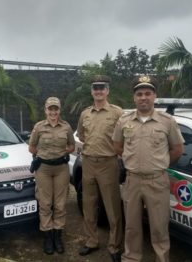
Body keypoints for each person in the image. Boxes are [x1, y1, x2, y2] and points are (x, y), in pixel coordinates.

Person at [112, 75, 184, 262]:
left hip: (157, 180)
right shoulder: (124, 121)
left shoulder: (167, 121)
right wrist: (132, 161)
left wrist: (159, 164)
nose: (143, 97)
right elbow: (118, 146)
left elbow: (177, 149)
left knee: (159, 227)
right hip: (132, 180)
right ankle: (131, 258)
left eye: (147, 93)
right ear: (134, 98)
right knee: (132, 226)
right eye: (139, 94)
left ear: (154, 96)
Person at [76, 75, 124, 262]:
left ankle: (114, 246)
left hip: (108, 163)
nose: (98, 91)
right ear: (91, 91)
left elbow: (124, 137)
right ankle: (91, 241)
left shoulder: (117, 112)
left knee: (113, 207)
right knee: (89, 205)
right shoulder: (85, 113)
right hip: (88, 162)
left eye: (102, 87)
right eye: (95, 88)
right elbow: (81, 134)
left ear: (107, 90)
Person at [28, 96, 75, 255]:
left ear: (59, 110)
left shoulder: (66, 127)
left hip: (61, 168)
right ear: (45, 110)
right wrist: (45, 155)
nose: (53, 112)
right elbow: (32, 148)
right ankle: (48, 237)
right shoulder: (39, 127)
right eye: (50, 109)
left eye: (56, 109)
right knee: (45, 203)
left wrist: (62, 153)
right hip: (44, 169)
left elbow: (71, 145)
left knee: (60, 204)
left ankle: (57, 236)